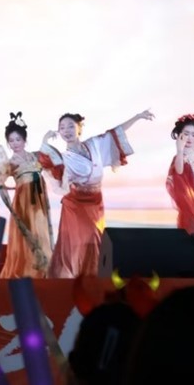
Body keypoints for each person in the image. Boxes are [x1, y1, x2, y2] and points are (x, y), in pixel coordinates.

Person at [38, 109, 154, 278]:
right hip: (76, 204)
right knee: (84, 240)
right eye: (62, 128)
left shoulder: (94, 144)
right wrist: (44, 141)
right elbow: (47, 163)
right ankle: (81, 278)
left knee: (97, 238)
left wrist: (137, 117)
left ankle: (93, 277)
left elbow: (115, 133)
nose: (66, 131)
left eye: (70, 126)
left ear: (79, 128)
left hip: (96, 201)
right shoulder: (63, 158)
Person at [0, 112, 53, 278]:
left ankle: (43, 270)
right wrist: (4, 185)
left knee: (41, 232)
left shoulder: (34, 156)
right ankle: (27, 272)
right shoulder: (10, 162)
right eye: (11, 141)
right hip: (24, 202)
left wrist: (46, 139)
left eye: (18, 140)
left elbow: (52, 162)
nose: (15, 144)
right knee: (27, 234)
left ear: (24, 140)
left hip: (39, 200)